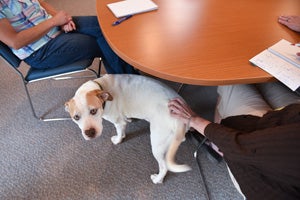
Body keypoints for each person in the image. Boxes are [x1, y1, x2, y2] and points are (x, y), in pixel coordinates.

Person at [168, 82, 300, 200]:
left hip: (258, 169)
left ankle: (215, 144)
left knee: (231, 83)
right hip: (286, 122)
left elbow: (243, 146)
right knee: (265, 77)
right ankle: (216, 141)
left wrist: (194, 120)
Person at [0, 0, 139, 74]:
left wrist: (63, 20)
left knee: (106, 27)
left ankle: (128, 80)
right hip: (40, 50)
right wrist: (54, 21)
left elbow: (41, 3)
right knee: (103, 42)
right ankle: (131, 91)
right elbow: (15, 42)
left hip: (52, 27)